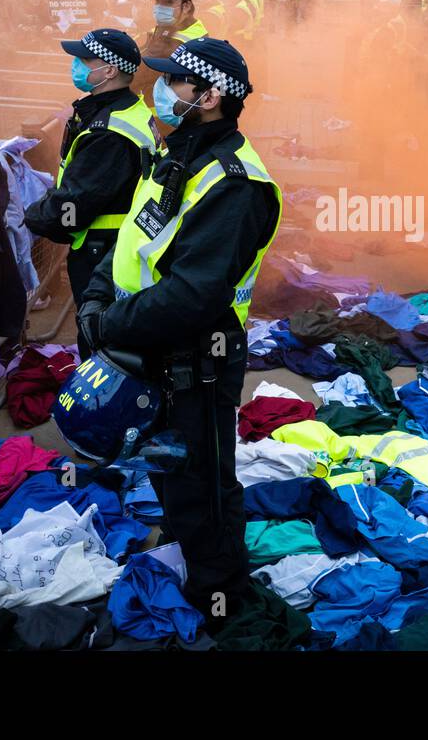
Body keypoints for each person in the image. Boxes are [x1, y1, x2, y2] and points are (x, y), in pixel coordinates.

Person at [76, 37, 282, 620]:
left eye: (173, 82)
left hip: (198, 359)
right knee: (166, 468)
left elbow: (193, 293)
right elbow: (133, 243)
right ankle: (189, 552)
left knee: (203, 487)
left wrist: (109, 322)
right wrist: (95, 298)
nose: (157, 90)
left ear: (210, 96)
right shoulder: (177, 154)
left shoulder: (235, 184)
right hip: (151, 348)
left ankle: (219, 596)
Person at [24, 29, 157, 340]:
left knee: (99, 340)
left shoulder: (108, 133)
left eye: (84, 59)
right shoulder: (130, 109)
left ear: (109, 70)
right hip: (118, 245)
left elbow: (74, 204)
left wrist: (29, 215)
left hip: (104, 250)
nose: (76, 65)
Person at [133, 0, 208, 99]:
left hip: (161, 115)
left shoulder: (187, 42)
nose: (159, 7)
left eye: (167, 2)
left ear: (186, 6)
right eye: (157, 0)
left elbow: (138, 74)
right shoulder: (168, 27)